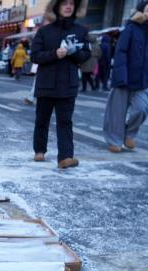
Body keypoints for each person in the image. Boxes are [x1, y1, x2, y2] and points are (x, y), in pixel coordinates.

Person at [31, 0, 90, 169]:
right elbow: (35, 56)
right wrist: (54, 54)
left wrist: (74, 52)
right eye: (64, 3)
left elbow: (86, 55)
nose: (68, 6)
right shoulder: (44, 31)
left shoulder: (81, 31)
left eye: (71, 3)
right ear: (56, 7)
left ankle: (65, 157)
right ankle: (39, 150)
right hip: (46, 84)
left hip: (68, 84)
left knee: (65, 121)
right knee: (42, 119)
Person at [103, 1, 148, 153]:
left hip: (143, 79)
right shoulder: (130, 28)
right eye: (147, 10)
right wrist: (121, 75)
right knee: (117, 112)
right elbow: (120, 52)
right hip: (125, 76)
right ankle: (114, 141)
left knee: (142, 108)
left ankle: (129, 134)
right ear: (141, 12)